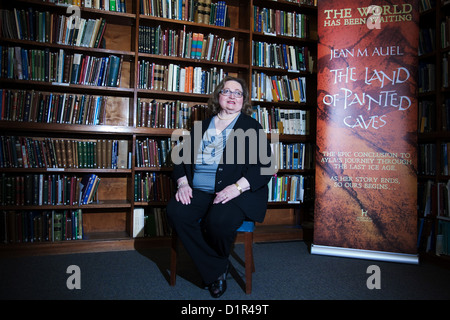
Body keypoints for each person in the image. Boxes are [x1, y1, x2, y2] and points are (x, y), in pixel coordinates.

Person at [166, 76, 274, 298]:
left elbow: (265, 166)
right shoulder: (201, 127)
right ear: (218, 96)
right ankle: (217, 268)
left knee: (219, 221)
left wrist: (237, 187)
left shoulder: (251, 126)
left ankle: (211, 268)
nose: (232, 96)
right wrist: (183, 183)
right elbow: (179, 159)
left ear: (243, 100)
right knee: (176, 211)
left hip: (236, 193)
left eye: (238, 93)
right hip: (199, 191)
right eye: (227, 91)